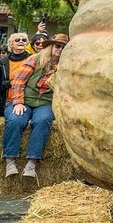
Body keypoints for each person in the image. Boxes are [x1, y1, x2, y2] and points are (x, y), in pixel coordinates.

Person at [3, 33, 69, 179]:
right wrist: (18, 102)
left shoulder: (66, 67)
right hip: (24, 100)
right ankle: (10, 161)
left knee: (42, 121)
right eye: (58, 46)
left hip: (45, 103)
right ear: (51, 46)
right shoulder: (34, 59)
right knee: (15, 119)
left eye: (64, 48)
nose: (60, 50)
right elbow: (18, 82)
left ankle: (31, 163)